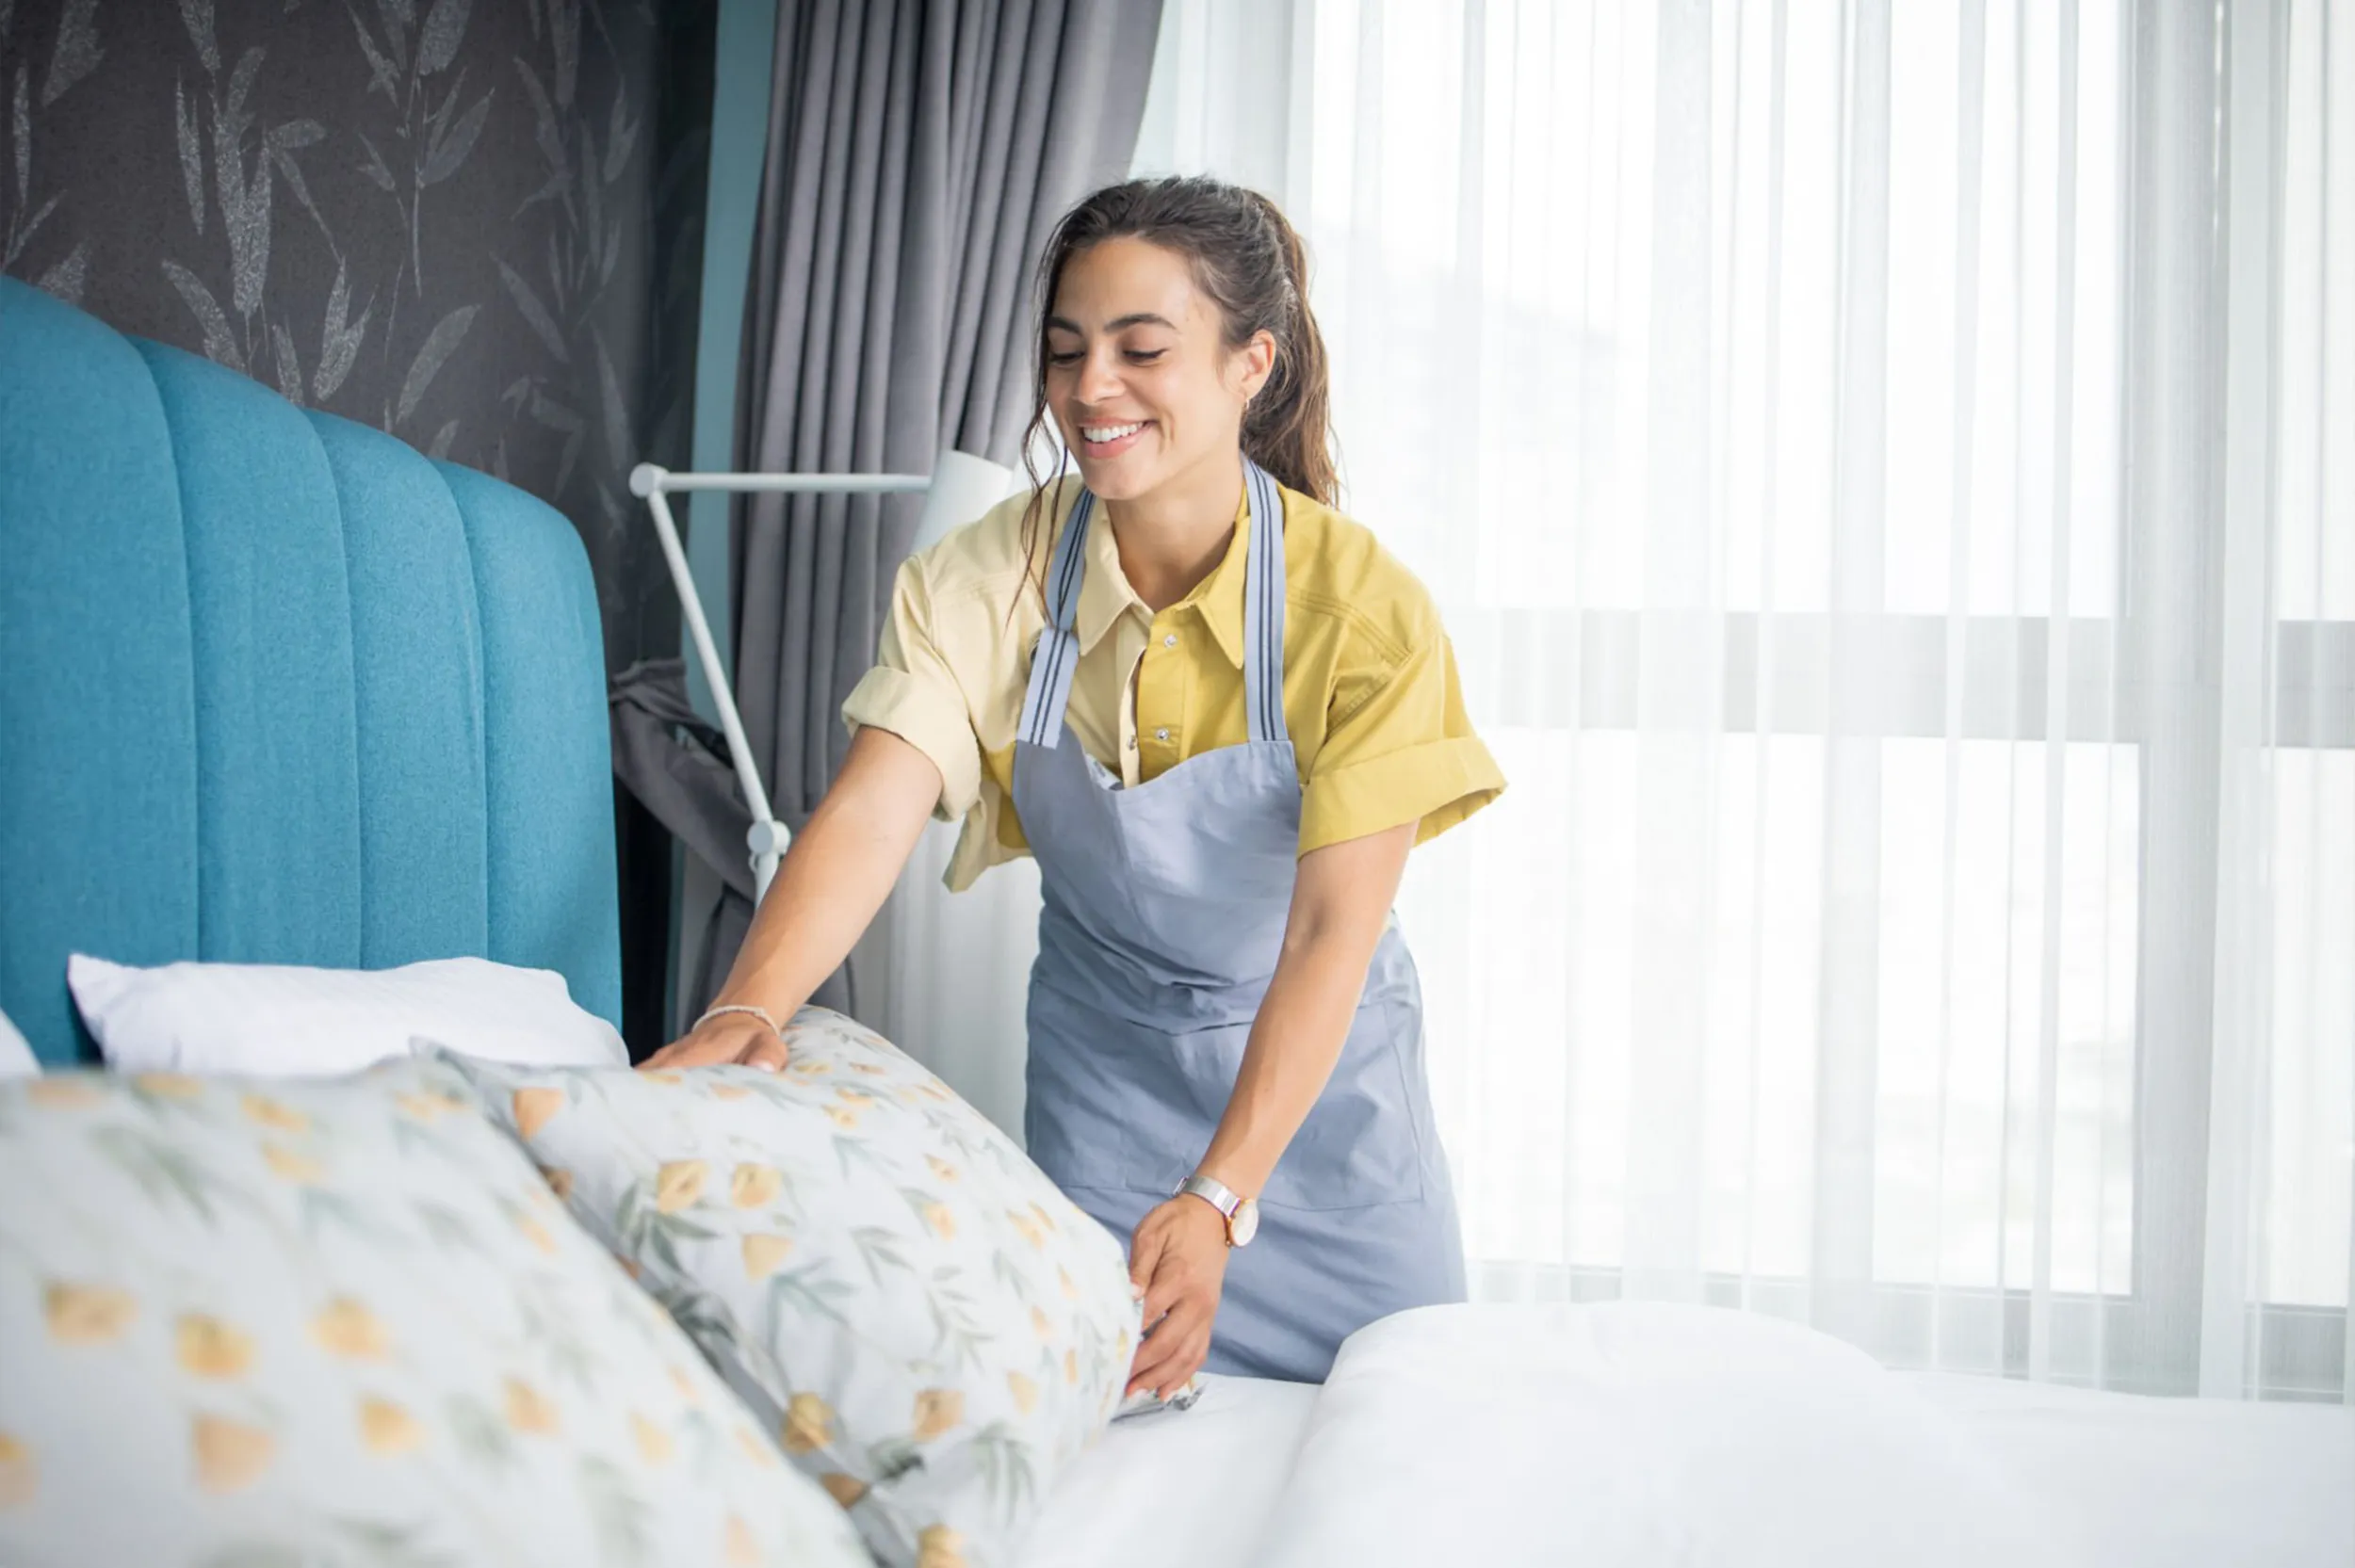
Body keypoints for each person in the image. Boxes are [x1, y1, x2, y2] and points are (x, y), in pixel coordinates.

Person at [644, 174, 1505, 1393]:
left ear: (1252, 362)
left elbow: (1328, 938)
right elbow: (875, 804)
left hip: (1324, 1112)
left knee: (1401, 1419)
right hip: (1109, 1099)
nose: (1091, 387)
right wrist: (750, 1011)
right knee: (1105, 1427)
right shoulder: (985, 577)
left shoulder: (1360, 611)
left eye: (1139, 349)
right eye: (1065, 351)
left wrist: (1220, 1194)